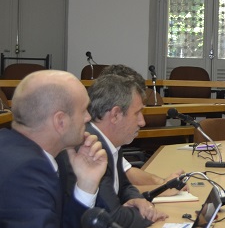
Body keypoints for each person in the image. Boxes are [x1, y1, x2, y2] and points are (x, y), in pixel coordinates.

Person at [0, 70, 107, 228]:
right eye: (84, 110)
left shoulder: (49, 156)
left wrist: (86, 184)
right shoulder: (26, 172)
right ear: (60, 121)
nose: (88, 117)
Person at [59, 74, 168, 227]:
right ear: (115, 115)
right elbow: (112, 216)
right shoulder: (90, 148)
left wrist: (138, 200)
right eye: (137, 113)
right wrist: (150, 215)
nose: (142, 122)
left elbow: (124, 186)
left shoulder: (112, 142)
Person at [100, 64, 187, 197]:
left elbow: (127, 172)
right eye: (137, 112)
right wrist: (161, 189)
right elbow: (112, 193)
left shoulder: (110, 140)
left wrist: (163, 182)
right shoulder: (89, 142)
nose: (142, 122)